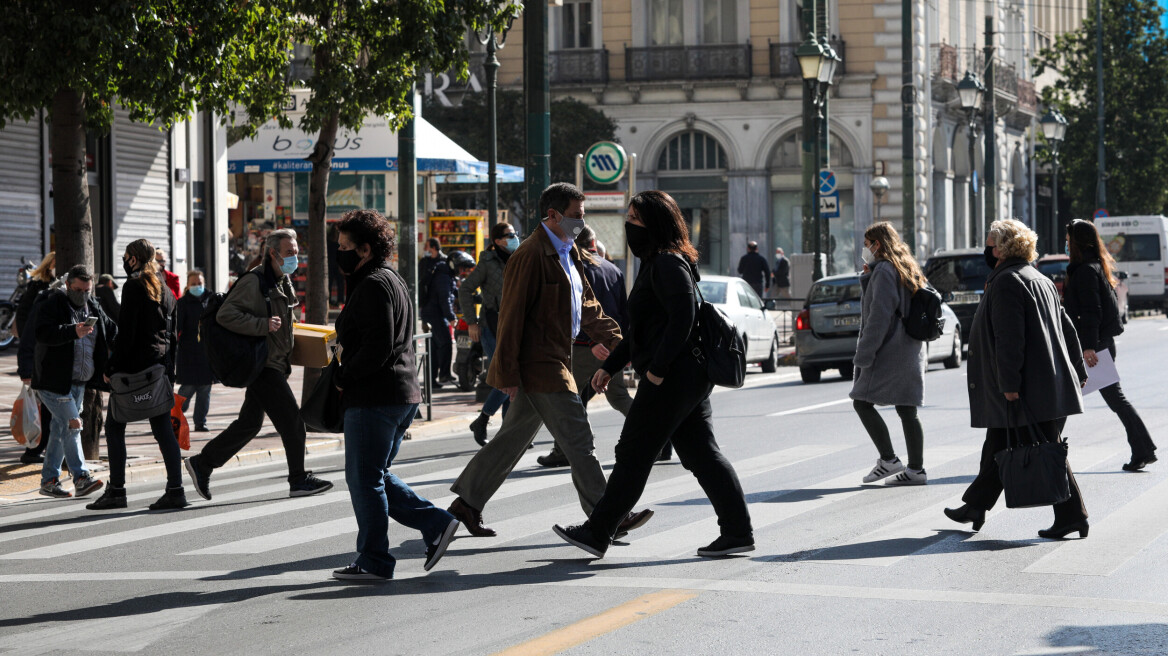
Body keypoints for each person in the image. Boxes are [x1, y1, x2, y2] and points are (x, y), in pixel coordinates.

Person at [553, 190, 754, 558]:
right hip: (684, 376)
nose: (628, 225)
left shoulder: (666, 263)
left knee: (633, 452)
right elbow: (641, 331)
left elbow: (684, 319)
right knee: (701, 454)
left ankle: (597, 532)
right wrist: (609, 367)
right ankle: (738, 532)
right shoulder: (659, 261)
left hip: (674, 378)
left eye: (635, 219)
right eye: (628, 217)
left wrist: (658, 370)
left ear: (655, 224)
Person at [446, 183, 652, 539]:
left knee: (511, 440)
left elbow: (589, 308)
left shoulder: (569, 252)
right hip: (541, 364)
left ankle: (466, 503)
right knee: (579, 439)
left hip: (558, 359)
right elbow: (511, 317)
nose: (580, 223)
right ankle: (609, 515)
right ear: (552, 215)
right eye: (575, 216)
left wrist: (624, 345)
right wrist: (507, 372)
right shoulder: (529, 255)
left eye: (582, 217)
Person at [330, 209, 459, 582]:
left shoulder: (371, 284)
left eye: (344, 247)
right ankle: (436, 524)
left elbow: (378, 345)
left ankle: (374, 560)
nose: (340, 253)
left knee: (363, 479)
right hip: (400, 394)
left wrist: (343, 376)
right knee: (376, 474)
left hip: (375, 397)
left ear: (365, 249)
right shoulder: (391, 279)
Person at [945, 219, 1090, 540]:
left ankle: (1073, 515)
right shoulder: (1038, 278)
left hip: (1025, 388)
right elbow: (1067, 328)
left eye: (990, 243)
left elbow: (1010, 339)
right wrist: (1079, 370)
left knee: (1044, 448)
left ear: (1002, 248)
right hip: (1045, 384)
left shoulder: (1008, 281)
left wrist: (1009, 384)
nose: (987, 249)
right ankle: (975, 506)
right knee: (999, 444)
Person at [183, 229, 333, 501]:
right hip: (262, 365)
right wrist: (262, 325)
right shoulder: (255, 281)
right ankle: (298, 479)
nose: (294, 257)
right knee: (293, 422)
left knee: (249, 423)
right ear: (273, 253)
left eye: (296, 252)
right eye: (289, 252)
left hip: (274, 363)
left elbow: (282, 322)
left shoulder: (281, 281)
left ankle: (202, 464)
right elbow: (227, 315)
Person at [86, 240, 188, 511]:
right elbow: (172, 337)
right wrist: (170, 372)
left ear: (134, 259)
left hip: (134, 369)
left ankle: (117, 491)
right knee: (163, 431)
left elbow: (127, 334)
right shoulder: (166, 290)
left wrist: (110, 368)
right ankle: (176, 489)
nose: (123, 259)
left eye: (126, 256)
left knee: (114, 427)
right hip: (159, 369)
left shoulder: (134, 286)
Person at [537, 225, 637, 468]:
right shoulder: (612, 269)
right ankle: (657, 436)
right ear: (594, 242)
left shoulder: (575, 266)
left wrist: (592, 342)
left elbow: (577, 309)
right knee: (619, 397)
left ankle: (565, 450)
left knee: (568, 398)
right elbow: (624, 313)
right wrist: (620, 347)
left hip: (583, 347)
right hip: (611, 347)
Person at [1064, 219, 1157, 471]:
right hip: (1096, 343)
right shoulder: (1094, 266)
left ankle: (1143, 449)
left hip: (1094, 346)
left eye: (1068, 239)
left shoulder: (1085, 271)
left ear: (1077, 242)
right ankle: (1143, 449)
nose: (1066, 243)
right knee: (1071, 396)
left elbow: (1091, 311)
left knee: (1077, 396)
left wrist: (1089, 347)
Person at [851, 222, 929, 486]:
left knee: (861, 401)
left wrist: (864, 355)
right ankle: (916, 469)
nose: (865, 249)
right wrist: (868, 275)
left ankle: (889, 460)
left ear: (878, 244)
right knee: (907, 409)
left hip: (889, 349)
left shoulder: (884, 270)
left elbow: (879, 317)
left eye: (867, 245)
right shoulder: (904, 266)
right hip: (909, 347)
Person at [31, 265, 112, 500]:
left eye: (87, 290)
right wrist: (71, 332)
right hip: (53, 381)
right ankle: (81, 477)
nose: (83, 294)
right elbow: (42, 333)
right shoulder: (52, 302)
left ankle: (49, 480)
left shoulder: (93, 305)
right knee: (73, 424)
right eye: (78, 289)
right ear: (68, 285)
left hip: (79, 382)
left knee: (59, 429)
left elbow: (110, 330)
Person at [460, 222, 519, 446]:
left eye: (515, 234)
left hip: (515, 327)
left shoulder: (519, 257)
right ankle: (483, 420)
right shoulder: (487, 262)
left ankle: (509, 430)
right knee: (506, 375)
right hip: (492, 326)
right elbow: (465, 289)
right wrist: (471, 322)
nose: (514, 237)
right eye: (509, 235)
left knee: (512, 376)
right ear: (497, 241)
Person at [14, 251, 55, 465]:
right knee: (44, 409)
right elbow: (23, 317)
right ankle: (35, 449)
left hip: (44, 357)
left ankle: (38, 449)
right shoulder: (39, 288)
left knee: (47, 409)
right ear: (49, 266)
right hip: (39, 356)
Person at [176, 269, 215, 432]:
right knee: (188, 387)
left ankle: (200, 422)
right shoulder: (183, 303)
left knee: (205, 389)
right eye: (193, 284)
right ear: (188, 285)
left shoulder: (212, 299)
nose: (197, 286)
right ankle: (175, 414)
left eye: (199, 283)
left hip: (207, 352)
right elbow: (177, 327)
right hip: (189, 352)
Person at [421, 241, 457, 388]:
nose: (425, 249)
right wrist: (451, 316)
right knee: (445, 343)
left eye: (427, 246)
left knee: (434, 347)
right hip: (434, 312)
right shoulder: (442, 272)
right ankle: (443, 374)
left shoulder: (441, 265)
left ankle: (432, 379)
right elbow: (444, 297)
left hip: (429, 311)